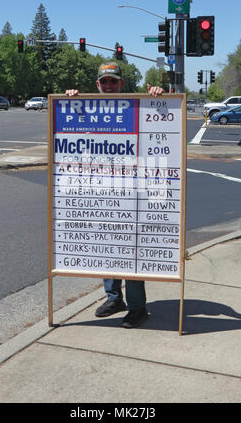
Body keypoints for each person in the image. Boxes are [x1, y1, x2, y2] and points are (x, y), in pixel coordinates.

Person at [66, 62, 165, 328]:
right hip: (103, 188)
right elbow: (73, 129)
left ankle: (137, 307)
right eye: (104, 82)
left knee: (130, 248)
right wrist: (72, 101)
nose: (108, 86)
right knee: (108, 243)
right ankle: (114, 298)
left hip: (134, 190)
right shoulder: (89, 109)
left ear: (122, 84)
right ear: (97, 85)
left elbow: (163, 123)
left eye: (113, 81)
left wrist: (159, 96)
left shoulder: (139, 106)